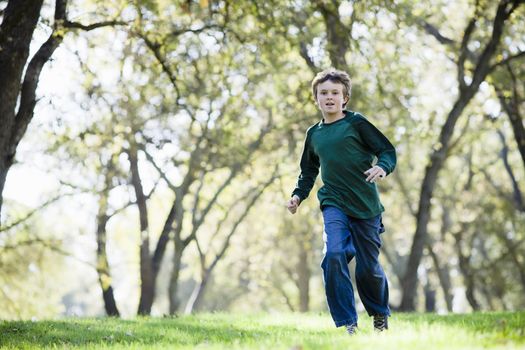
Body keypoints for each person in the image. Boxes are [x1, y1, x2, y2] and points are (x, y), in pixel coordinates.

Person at [286, 68, 396, 335]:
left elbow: (386, 150)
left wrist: (382, 166)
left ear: (345, 97)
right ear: (316, 98)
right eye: (323, 93)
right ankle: (349, 322)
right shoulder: (314, 134)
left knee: (368, 268)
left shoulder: (356, 123)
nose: (329, 97)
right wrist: (298, 195)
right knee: (334, 254)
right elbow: (309, 170)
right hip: (333, 202)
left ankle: (379, 314)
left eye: (335, 93)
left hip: (365, 206)